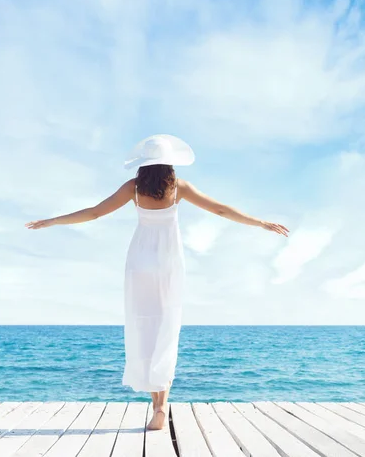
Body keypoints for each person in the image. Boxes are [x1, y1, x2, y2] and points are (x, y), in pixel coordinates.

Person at [25, 134, 289, 430]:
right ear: (169, 163)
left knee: (144, 329)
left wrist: (53, 220)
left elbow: (95, 212)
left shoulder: (134, 189)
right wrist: (260, 222)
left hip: (139, 263)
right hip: (169, 263)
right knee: (166, 329)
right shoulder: (179, 188)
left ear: (144, 163)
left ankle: (155, 404)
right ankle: (161, 406)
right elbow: (220, 209)